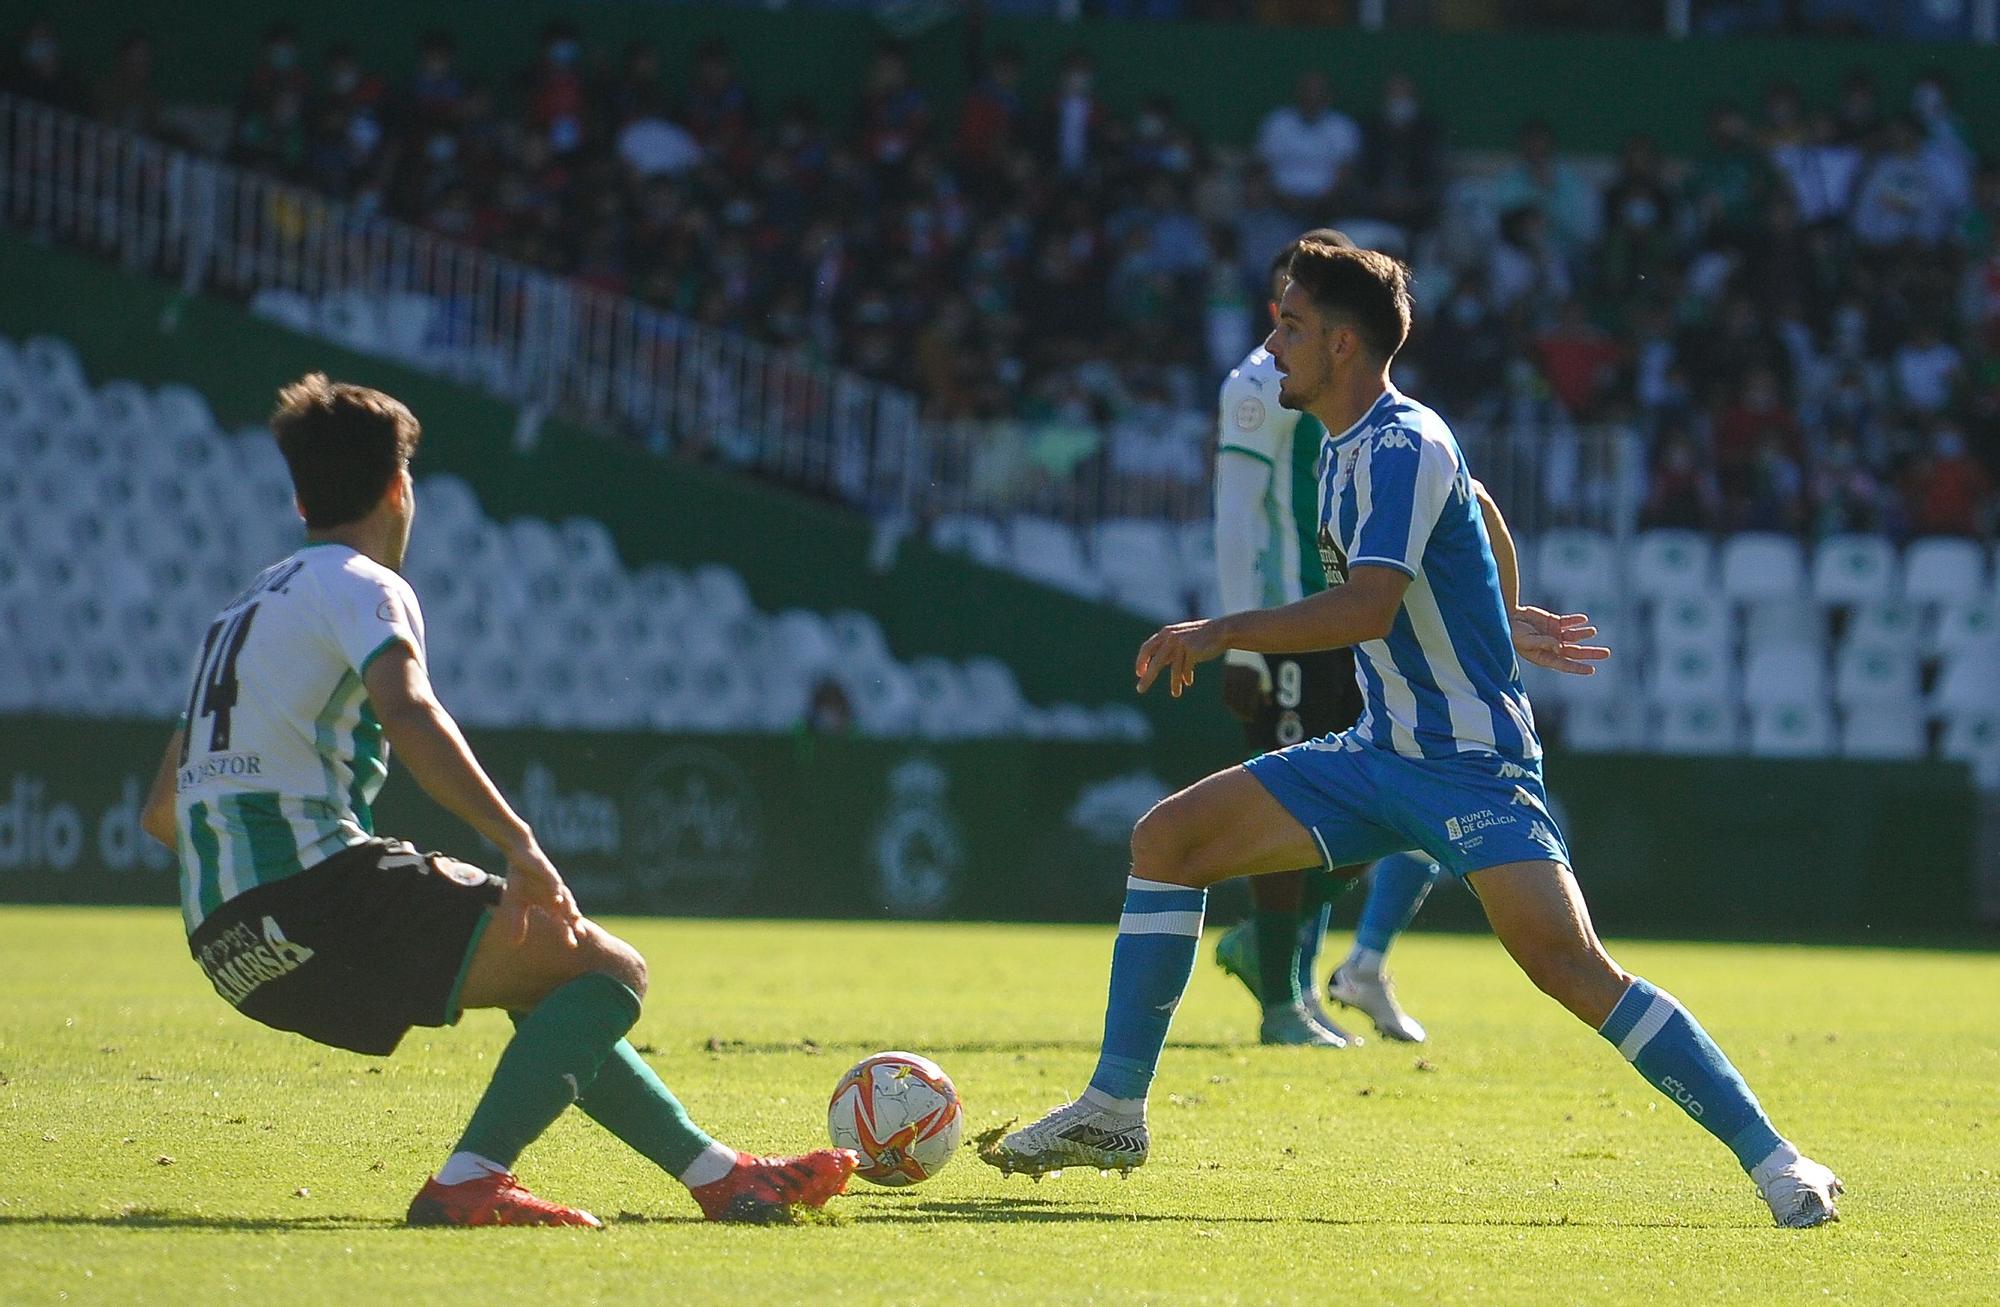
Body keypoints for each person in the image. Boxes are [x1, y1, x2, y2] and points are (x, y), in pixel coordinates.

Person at [983, 245, 1842, 1230]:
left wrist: (1221, 627)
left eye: (1291, 325)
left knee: (1569, 966)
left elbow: (1364, 605)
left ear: (1342, 343)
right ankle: (1112, 1110)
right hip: (1376, 749)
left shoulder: (1395, 443)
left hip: (1472, 768)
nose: (1271, 344)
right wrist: (1498, 612)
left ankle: (1777, 1161)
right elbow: (1473, 507)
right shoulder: (1354, 440)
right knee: (1165, 841)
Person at [138, 375, 856, 1227]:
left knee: (547, 969)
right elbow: (409, 709)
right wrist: (520, 844)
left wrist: (258, 898)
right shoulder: (365, 582)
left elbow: (159, 810)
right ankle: (470, 1179)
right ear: (401, 488)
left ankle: (721, 1175)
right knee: (609, 969)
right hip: (319, 896)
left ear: (299, 495)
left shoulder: (239, 613)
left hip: (227, 947)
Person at [1208, 228, 1439, 1048]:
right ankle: (1282, 1003)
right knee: (1292, 813)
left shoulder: (1356, 391)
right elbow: (1238, 521)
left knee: (1384, 818)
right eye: (1284, 306)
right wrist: (1242, 645)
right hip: (1288, 630)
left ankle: (1264, 956)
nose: (1283, 328)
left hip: (1349, 630)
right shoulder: (1255, 386)